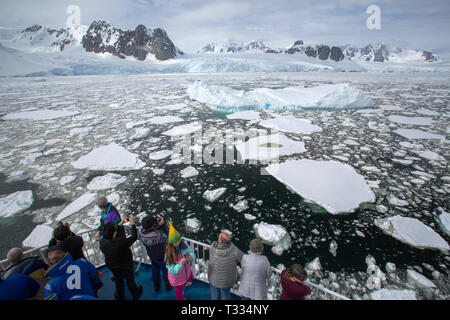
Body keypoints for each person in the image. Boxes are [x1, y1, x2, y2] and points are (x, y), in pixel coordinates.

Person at [99, 215, 143, 300]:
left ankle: (120, 296)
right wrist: (132, 224)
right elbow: (134, 237)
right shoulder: (120, 242)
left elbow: (111, 234)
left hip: (112, 265)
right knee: (130, 280)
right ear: (113, 234)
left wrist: (120, 223)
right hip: (125, 264)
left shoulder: (102, 241)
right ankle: (135, 293)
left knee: (119, 281)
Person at [137, 214, 171, 292]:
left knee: (155, 269)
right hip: (162, 256)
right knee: (165, 270)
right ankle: (167, 284)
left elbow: (148, 230)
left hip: (152, 255)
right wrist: (163, 225)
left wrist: (157, 226)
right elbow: (168, 235)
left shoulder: (140, 231)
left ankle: (156, 285)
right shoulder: (157, 236)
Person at [165, 222, 196, 300]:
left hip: (186, 272)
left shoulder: (184, 244)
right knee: (179, 293)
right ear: (170, 243)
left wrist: (191, 257)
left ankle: (187, 282)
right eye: (174, 242)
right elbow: (173, 271)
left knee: (190, 277)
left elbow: (192, 253)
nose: (177, 243)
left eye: (178, 240)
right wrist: (181, 263)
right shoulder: (168, 254)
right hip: (177, 279)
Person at [208, 232, 243, 300]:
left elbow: (214, 246)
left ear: (220, 241)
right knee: (225, 297)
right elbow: (243, 258)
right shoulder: (235, 251)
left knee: (214, 297)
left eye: (219, 238)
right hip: (226, 282)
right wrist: (233, 247)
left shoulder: (212, 248)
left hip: (214, 279)